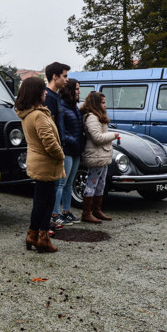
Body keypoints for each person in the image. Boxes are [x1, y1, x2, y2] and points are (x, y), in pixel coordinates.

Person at [15, 76, 65, 253]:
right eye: (43, 90)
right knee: (46, 202)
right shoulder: (38, 115)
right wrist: (61, 155)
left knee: (40, 201)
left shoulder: (28, 114)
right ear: (36, 93)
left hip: (38, 162)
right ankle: (42, 238)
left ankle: (32, 234)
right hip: (46, 164)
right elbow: (49, 142)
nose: (45, 92)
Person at [80, 91, 118, 223]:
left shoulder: (96, 116)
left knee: (100, 183)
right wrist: (113, 135)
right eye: (102, 103)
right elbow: (97, 138)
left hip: (101, 155)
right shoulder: (91, 117)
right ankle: (87, 213)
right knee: (92, 182)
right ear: (96, 104)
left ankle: (96, 210)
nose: (105, 105)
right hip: (96, 155)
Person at [42, 62, 70, 229]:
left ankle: (49, 222)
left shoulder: (56, 97)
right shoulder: (48, 98)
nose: (67, 80)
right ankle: (47, 222)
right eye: (64, 76)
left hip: (60, 147)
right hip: (53, 151)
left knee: (55, 187)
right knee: (51, 189)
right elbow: (48, 129)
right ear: (55, 76)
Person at [53, 78, 84, 225]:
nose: (79, 92)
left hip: (76, 150)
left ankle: (66, 211)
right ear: (70, 90)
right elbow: (61, 131)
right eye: (77, 89)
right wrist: (74, 140)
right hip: (67, 150)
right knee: (61, 183)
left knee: (69, 183)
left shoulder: (74, 107)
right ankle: (55, 213)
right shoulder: (62, 108)